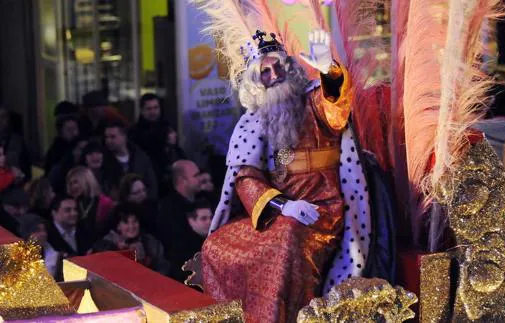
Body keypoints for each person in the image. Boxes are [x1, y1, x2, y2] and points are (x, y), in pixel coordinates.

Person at [194, 25, 371, 321]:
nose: (275, 75)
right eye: (266, 72)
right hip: (282, 210)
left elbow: (337, 110)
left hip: (322, 209)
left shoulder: (314, 101)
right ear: (255, 82)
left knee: (286, 238)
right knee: (216, 246)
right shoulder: (257, 119)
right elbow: (246, 176)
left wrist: (329, 71)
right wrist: (283, 204)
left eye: (279, 66)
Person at [93, 204, 170, 275]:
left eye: (134, 221)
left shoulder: (150, 242)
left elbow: (163, 268)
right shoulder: (106, 244)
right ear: (118, 226)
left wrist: (145, 261)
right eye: (126, 222)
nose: (132, 226)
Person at [104, 121, 158, 199]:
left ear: (124, 136)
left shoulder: (140, 157)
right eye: (106, 137)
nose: (108, 141)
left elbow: (152, 185)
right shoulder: (104, 160)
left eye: (112, 137)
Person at [66, 166, 115, 245]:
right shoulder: (74, 204)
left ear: (86, 180)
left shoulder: (105, 203)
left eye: (75, 182)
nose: (72, 187)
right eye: (70, 183)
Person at [46, 195, 91, 260]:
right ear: (54, 213)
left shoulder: (84, 229)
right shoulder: (47, 235)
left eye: (75, 209)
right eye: (67, 210)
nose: (74, 213)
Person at [19, 213, 61, 279]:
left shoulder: (57, 258)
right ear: (26, 234)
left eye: (44, 230)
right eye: (37, 231)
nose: (43, 234)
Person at [0, 106, 31, 181]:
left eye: (3, 117)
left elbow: (25, 171)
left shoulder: (17, 141)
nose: (0, 120)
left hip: (15, 184)